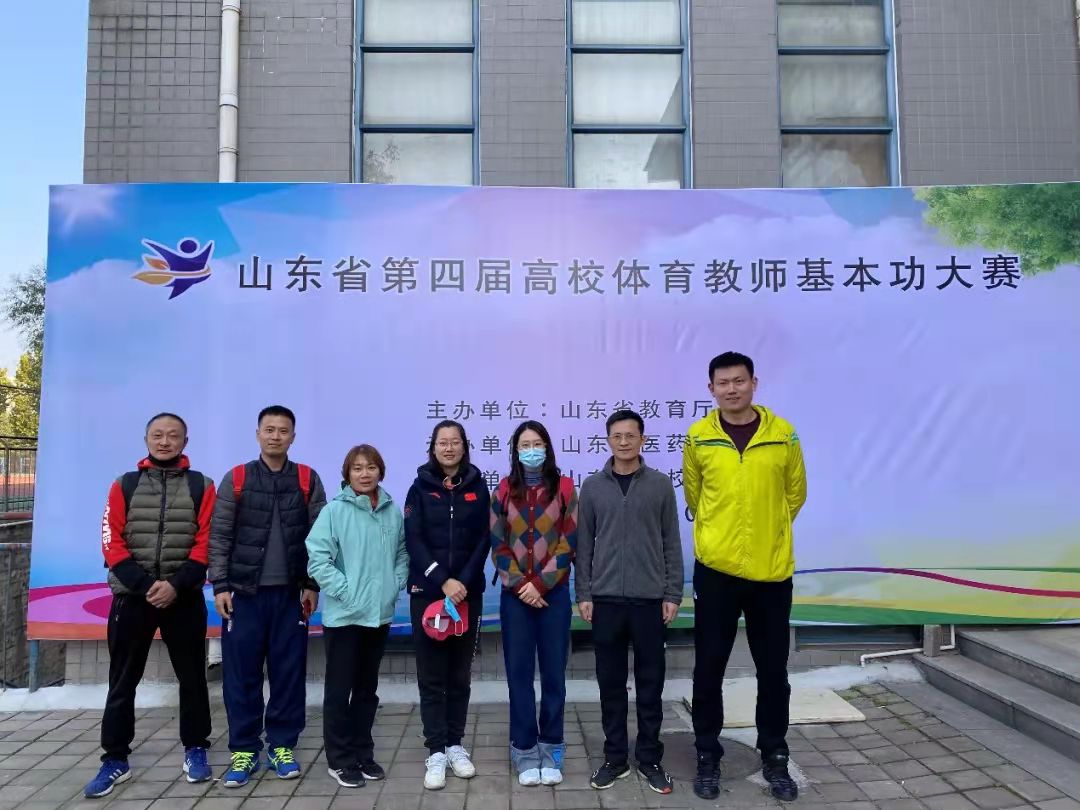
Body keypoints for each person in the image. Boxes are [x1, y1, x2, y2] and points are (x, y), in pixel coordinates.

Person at [682, 352, 806, 802]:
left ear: (754, 382)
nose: (731, 389)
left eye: (739, 381)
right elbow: (695, 496)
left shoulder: (783, 434)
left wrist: (766, 536)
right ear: (711, 389)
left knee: (772, 671)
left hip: (770, 574)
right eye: (723, 383)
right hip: (715, 573)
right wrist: (721, 540)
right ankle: (707, 754)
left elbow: (795, 495)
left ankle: (775, 755)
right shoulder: (699, 436)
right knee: (708, 668)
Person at [85, 413, 215, 798]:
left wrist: (175, 585)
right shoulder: (124, 485)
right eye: (157, 435)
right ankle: (114, 758)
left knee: (192, 679)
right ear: (146, 439)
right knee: (123, 681)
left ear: (185, 442)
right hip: (132, 598)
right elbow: (111, 542)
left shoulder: (202, 485)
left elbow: (206, 542)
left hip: (183, 598)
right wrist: (146, 586)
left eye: (173, 436)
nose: (165, 441)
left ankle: (196, 748)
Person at [208, 405, 327, 787]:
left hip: (291, 596)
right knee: (241, 676)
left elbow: (321, 539)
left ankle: (282, 745)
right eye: (269, 429)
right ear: (258, 433)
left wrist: (312, 585)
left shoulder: (307, 479)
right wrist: (220, 585)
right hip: (244, 596)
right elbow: (219, 535)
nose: (276, 436)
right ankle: (244, 749)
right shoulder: (237, 478)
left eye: (283, 430)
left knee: (288, 674)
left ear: (293, 437)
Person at [576, 409, 683, 795]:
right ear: (608, 441)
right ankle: (615, 758)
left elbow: (671, 541)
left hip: (649, 601)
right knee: (611, 686)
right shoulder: (592, 487)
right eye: (617, 436)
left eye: (630, 435)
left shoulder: (660, 485)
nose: (623, 442)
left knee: (650, 686)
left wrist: (672, 593)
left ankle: (650, 758)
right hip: (605, 602)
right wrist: (583, 593)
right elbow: (583, 546)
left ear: (642, 439)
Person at [306, 444, 408, 789]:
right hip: (345, 617)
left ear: (381, 471)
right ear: (347, 474)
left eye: (371, 467)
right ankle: (339, 759)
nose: (365, 474)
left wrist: (395, 583)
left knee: (367, 690)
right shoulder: (334, 511)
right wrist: (346, 591)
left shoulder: (391, 510)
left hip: (379, 616)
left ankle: (363, 753)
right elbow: (317, 558)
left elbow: (402, 552)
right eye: (358, 468)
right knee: (339, 691)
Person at [490, 421, 578, 787]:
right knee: (520, 675)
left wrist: (540, 584)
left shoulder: (566, 488)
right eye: (524, 444)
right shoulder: (502, 491)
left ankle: (552, 745)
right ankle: (524, 747)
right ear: (515, 450)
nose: (531, 450)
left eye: (537, 443)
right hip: (516, 597)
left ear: (547, 447)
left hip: (553, 595)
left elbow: (569, 542)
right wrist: (521, 585)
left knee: (554, 674)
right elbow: (498, 544)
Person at [404, 419, 490, 790]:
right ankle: (435, 750)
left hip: (467, 595)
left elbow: (484, 538)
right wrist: (442, 579)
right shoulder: (419, 488)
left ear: (464, 446)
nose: (449, 448)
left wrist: (463, 582)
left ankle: (455, 744)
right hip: (428, 593)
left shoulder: (478, 486)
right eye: (443, 442)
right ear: (433, 447)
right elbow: (414, 539)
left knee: (459, 675)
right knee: (431, 676)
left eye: (455, 442)